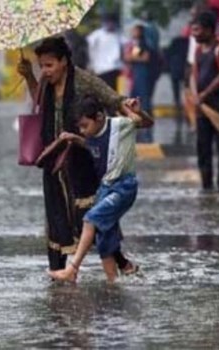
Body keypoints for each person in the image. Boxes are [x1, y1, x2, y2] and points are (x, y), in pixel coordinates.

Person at [16, 37, 143, 273]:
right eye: (41, 65)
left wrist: (131, 107)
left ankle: (120, 263)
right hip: (53, 158)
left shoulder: (84, 80)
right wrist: (29, 77)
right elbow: (40, 103)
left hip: (82, 158)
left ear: (64, 61)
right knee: (56, 217)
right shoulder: (45, 82)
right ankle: (58, 274)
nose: (45, 70)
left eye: (49, 65)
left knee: (92, 214)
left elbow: (112, 98)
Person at [48, 95, 152, 283]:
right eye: (80, 127)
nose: (83, 130)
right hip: (105, 187)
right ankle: (113, 282)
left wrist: (131, 109)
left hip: (123, 187)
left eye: (85, 125)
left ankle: (72, 268)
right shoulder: (92, 135)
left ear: (99, 117)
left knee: (91, 218)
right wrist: (73, 137)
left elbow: (138, 121)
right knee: (104, 239)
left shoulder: (119, 125)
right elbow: (89, 144)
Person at [191, 11, 219, 194]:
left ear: (209, 30)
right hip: (202, 107)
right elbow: (194, 74)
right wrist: (195, 95)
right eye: (193, 30)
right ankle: (206, 186)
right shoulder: (198, 50)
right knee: (203, 146)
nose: (194, 34)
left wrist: (205, 94)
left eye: (198, 30)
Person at [124, 23, 154, 143]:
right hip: (135, 74)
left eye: (135, 30)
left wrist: (132, 58)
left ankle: (145, 120)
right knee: (134, 96)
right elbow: (127, 57)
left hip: (142, 74)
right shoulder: (134, 44)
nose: (133, 33)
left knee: (143, 98)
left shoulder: (144, 44)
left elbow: (144, 58)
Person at [86, 14, 124, 89]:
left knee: (113, 90)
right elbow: (88, 47)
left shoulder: (118, 35)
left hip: (115, 67)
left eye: (112, 22)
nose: (110, 24)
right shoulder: (97, 35)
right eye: (108, 22)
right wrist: (90, 64)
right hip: (101, 68)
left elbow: (127, 44)